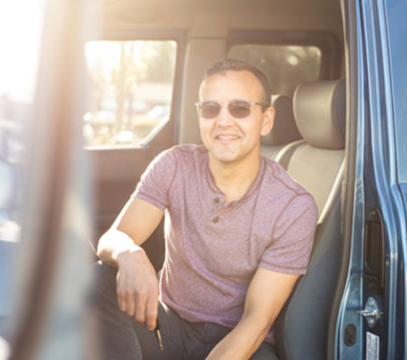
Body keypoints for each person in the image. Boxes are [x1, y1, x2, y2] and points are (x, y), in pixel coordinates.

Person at [94, 59, 318, 360]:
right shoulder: (173, 165)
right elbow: (113, 238)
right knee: (98, 279)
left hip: (241, 340)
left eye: (240, 108)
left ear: (266, 120)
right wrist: (129, 254)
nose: (223, 121)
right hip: (168, 325)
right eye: (211, 109)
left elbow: (256, 320)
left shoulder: (293, 207)